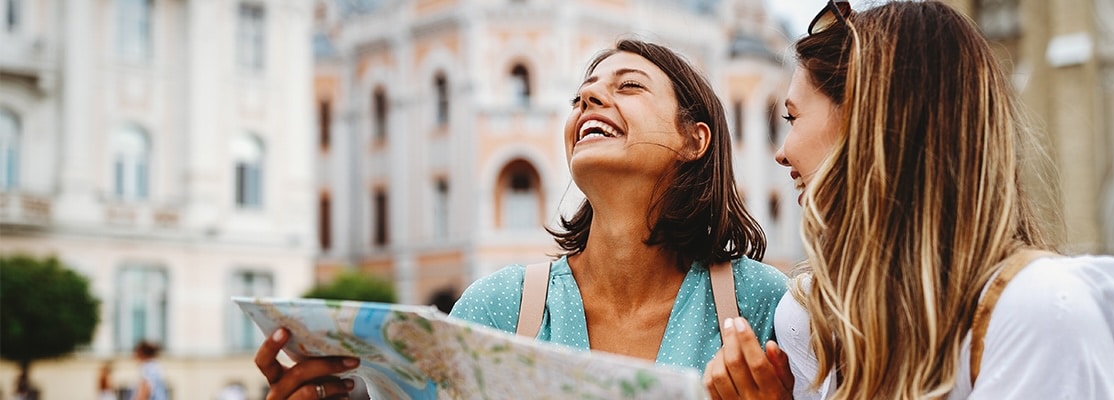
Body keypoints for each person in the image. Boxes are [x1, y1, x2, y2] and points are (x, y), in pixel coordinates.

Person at [253, 38, 789, 399]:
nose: (589, 97)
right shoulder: (496, 304)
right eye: (582, 94)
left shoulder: (764, 304)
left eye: (628, 86)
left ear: (694, 140)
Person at [702, 1, 1114, 399]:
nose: (782, 151)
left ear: (870, 122)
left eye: (792, 118)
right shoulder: (809, 317)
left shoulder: (1042, 308)